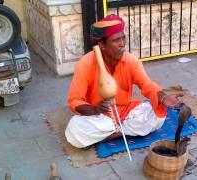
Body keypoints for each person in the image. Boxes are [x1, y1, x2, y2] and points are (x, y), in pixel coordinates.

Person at [65, 14, 182, 148]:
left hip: (126, 112)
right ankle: (121, 131)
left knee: (157, 114)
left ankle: (113, 134)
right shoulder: (85, 64)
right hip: (100, 116)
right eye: (116, 40)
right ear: (102, 45)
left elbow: (146, 85)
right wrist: (95, 109)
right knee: (75, 127)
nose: (122, 44)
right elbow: (74, 100)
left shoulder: (131, 61)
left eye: (123, 38)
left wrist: (163, 97)